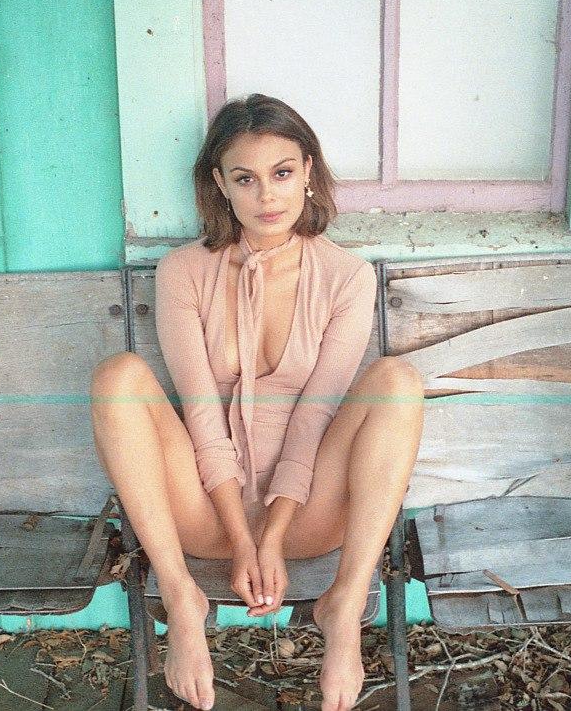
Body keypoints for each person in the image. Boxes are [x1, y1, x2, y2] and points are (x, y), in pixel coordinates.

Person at [90, 93, 424, 711]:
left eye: (283, 173)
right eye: (245, 178)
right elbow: (200, 413)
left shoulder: (347, 278)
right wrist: (241, 539)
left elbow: (315, 417)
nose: (267, 196)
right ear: (220, 184)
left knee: (397, 380)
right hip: (202, 512)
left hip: (310, 513)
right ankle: (182, 599)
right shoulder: (183, 272)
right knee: (118, 376)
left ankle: (345, 605)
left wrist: (273, 534)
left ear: (308, 172)